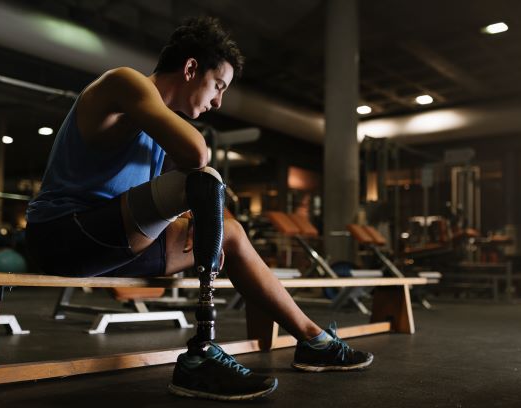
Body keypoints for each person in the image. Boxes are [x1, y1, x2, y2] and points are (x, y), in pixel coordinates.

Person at [25, 16, 373, 401]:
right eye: (218, 85)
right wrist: (193, 203)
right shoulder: (124, 82)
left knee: (233, 232)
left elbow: (159, 197)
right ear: (191, 68)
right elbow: (197, 153)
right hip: (62, 235)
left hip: (113, 245)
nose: (218, 101)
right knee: (203, 177)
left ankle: (314, 341)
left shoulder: (157, 130)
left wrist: (198, 220)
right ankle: (201, 354)